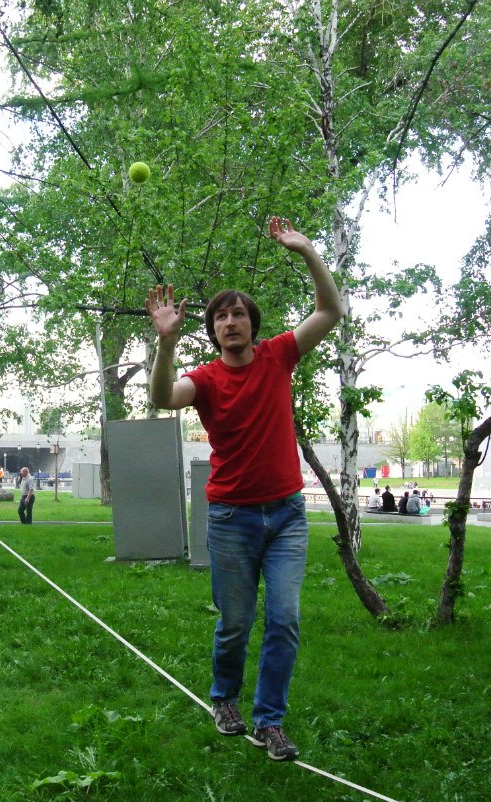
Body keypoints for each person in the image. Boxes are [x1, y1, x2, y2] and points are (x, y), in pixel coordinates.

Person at [146, 215, 344, 762]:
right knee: (236, 623)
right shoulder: (206, 380)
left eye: (237, 313)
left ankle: (269, 720)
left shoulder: (280, 355)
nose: (229, 321)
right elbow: (164, 397)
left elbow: (330, 311)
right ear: (211, 330)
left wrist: (306, 251)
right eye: (219, 316)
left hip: (285, 516)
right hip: (231, 519)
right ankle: (224, 698)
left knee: (284, 618)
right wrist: (165, 345)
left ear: (252, 325)